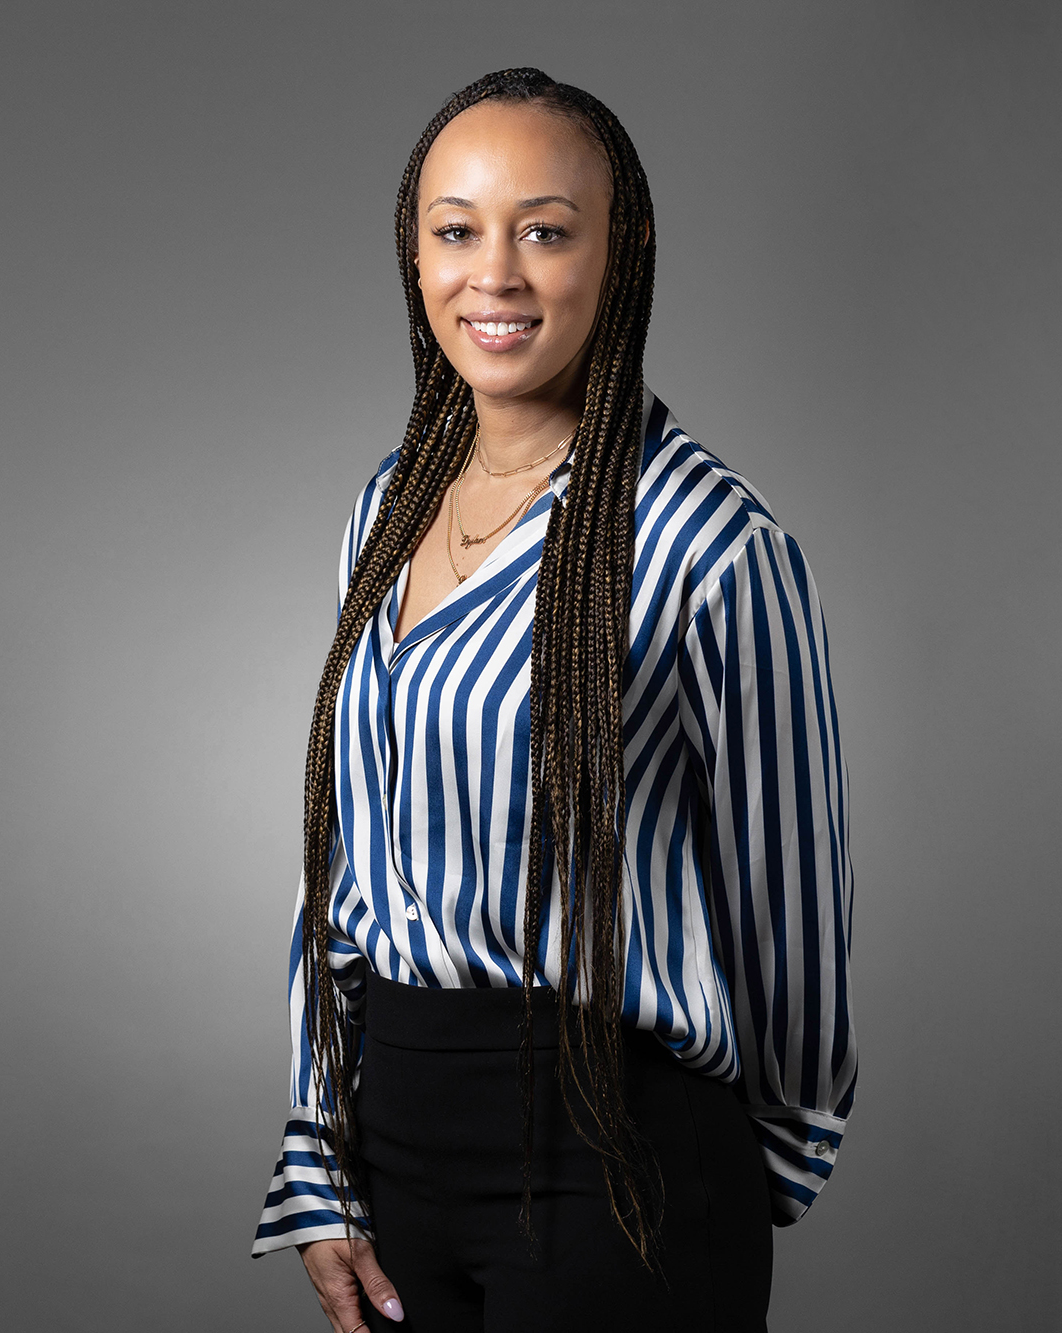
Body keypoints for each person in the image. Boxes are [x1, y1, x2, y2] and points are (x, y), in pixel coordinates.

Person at [251, 68, 855, 1332]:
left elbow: (787, 909)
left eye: (544, 229)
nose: (496, 276)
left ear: (620, 246)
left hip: (614, 1164)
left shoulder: (709, 544)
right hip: (397, 1150)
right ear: (412, 253)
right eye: (456, 230)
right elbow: (347, 864)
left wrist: (747, 1174)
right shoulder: (386, 507)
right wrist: (321, 1140)